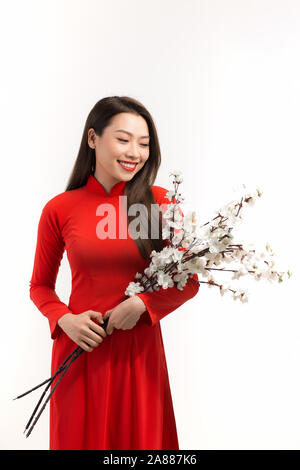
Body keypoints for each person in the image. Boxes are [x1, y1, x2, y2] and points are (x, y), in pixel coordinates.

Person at [29, 96, 200, 450]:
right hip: (80, 350)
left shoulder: (158, 204)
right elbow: (40, 286)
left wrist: (141, 304)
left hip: (139, 353)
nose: (134, 152)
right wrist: (66, 320)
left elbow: (189, 280)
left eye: (144, 143)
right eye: (123, 139)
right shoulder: (60, 209)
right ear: (93, 138)